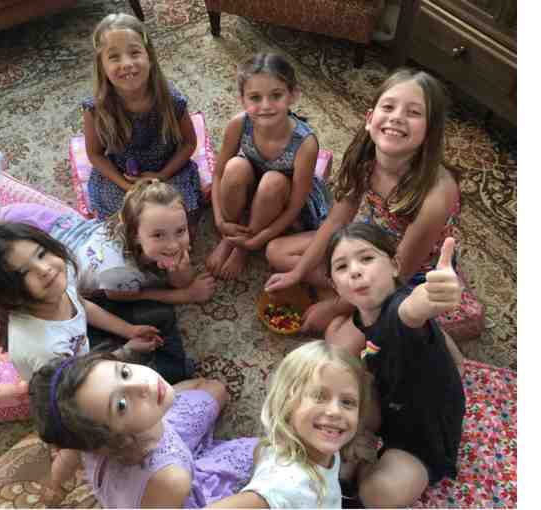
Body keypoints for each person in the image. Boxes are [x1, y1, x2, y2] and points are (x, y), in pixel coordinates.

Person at [0, 151, 206, 384]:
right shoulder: (117, 271)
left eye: (180, 231)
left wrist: (180, 271)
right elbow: (121, 297)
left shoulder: (148, 232)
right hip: (29, 243)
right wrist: (181, 296)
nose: (173, 243)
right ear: (135, 234)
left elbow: (181, 275)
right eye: (159, 236)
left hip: (43, 227)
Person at [264, 68, 464, 359]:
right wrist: (298, 273)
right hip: (365, 243)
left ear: (430, 132)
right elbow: (337, 220)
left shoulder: (437, 194)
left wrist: (333, 308)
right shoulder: (365, 158)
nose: (397, 117)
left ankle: (353, 304)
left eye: (413, 112)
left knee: (338, 347)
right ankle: (350, 298)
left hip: (403, 274)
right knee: (276, 252)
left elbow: (398, 273)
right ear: (370, 119)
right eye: (389, 107)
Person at [324, 222, 465, 507]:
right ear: (334, 285)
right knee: (331, 380)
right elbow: (453, 354)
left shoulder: (401, 312)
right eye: (342, 266)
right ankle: (358, 449)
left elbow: (412, 310)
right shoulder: (364, 318)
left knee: (379, 493)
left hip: (424, 436)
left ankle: (361, 464)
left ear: (395, 265)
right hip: (390, 404)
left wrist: (433, 295)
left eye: (367, 258)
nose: (355, 270)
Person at [29, 352, 258, 508]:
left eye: (124, 373)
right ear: (108, 438)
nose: (144, 385)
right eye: (121, 405)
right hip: (168, 485)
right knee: (263, 451)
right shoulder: (171, 479)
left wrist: (54, 487)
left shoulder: (82, 433)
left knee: (216, 389)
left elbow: (65, 460)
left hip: (155, 430)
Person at [206, 52, 330, 280]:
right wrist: (220, 221)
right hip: (254, 183)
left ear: (293, 95)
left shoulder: (306, 143)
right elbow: (219, 174)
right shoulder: (238, 124)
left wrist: (257, 240)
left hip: (282, 196)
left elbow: (295, 206)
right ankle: (230, 237)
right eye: (255, 97)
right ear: (242, 100)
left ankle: (242, 247)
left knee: (273, 181)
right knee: (234, 167)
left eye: (276, 95)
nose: (266, 106)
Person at [207, 340, 372, 509]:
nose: (336, 411)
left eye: (347, 402)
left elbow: (261, 451)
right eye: (319, 396)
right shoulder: (286, 487)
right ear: (286, 403)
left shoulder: (319, 446)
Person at [82, 12, 203, 231]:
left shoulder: (171, 99)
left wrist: (161, 176)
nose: (127, 63)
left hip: (166, 170)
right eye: (114, 57)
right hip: (122, 176)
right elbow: (95, 154)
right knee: (122, 221)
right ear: (102, 66)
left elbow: (189, 143)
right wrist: (127, 186)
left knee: (179, 211)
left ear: (150, 57)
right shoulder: (96, 108)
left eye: (135, 53)